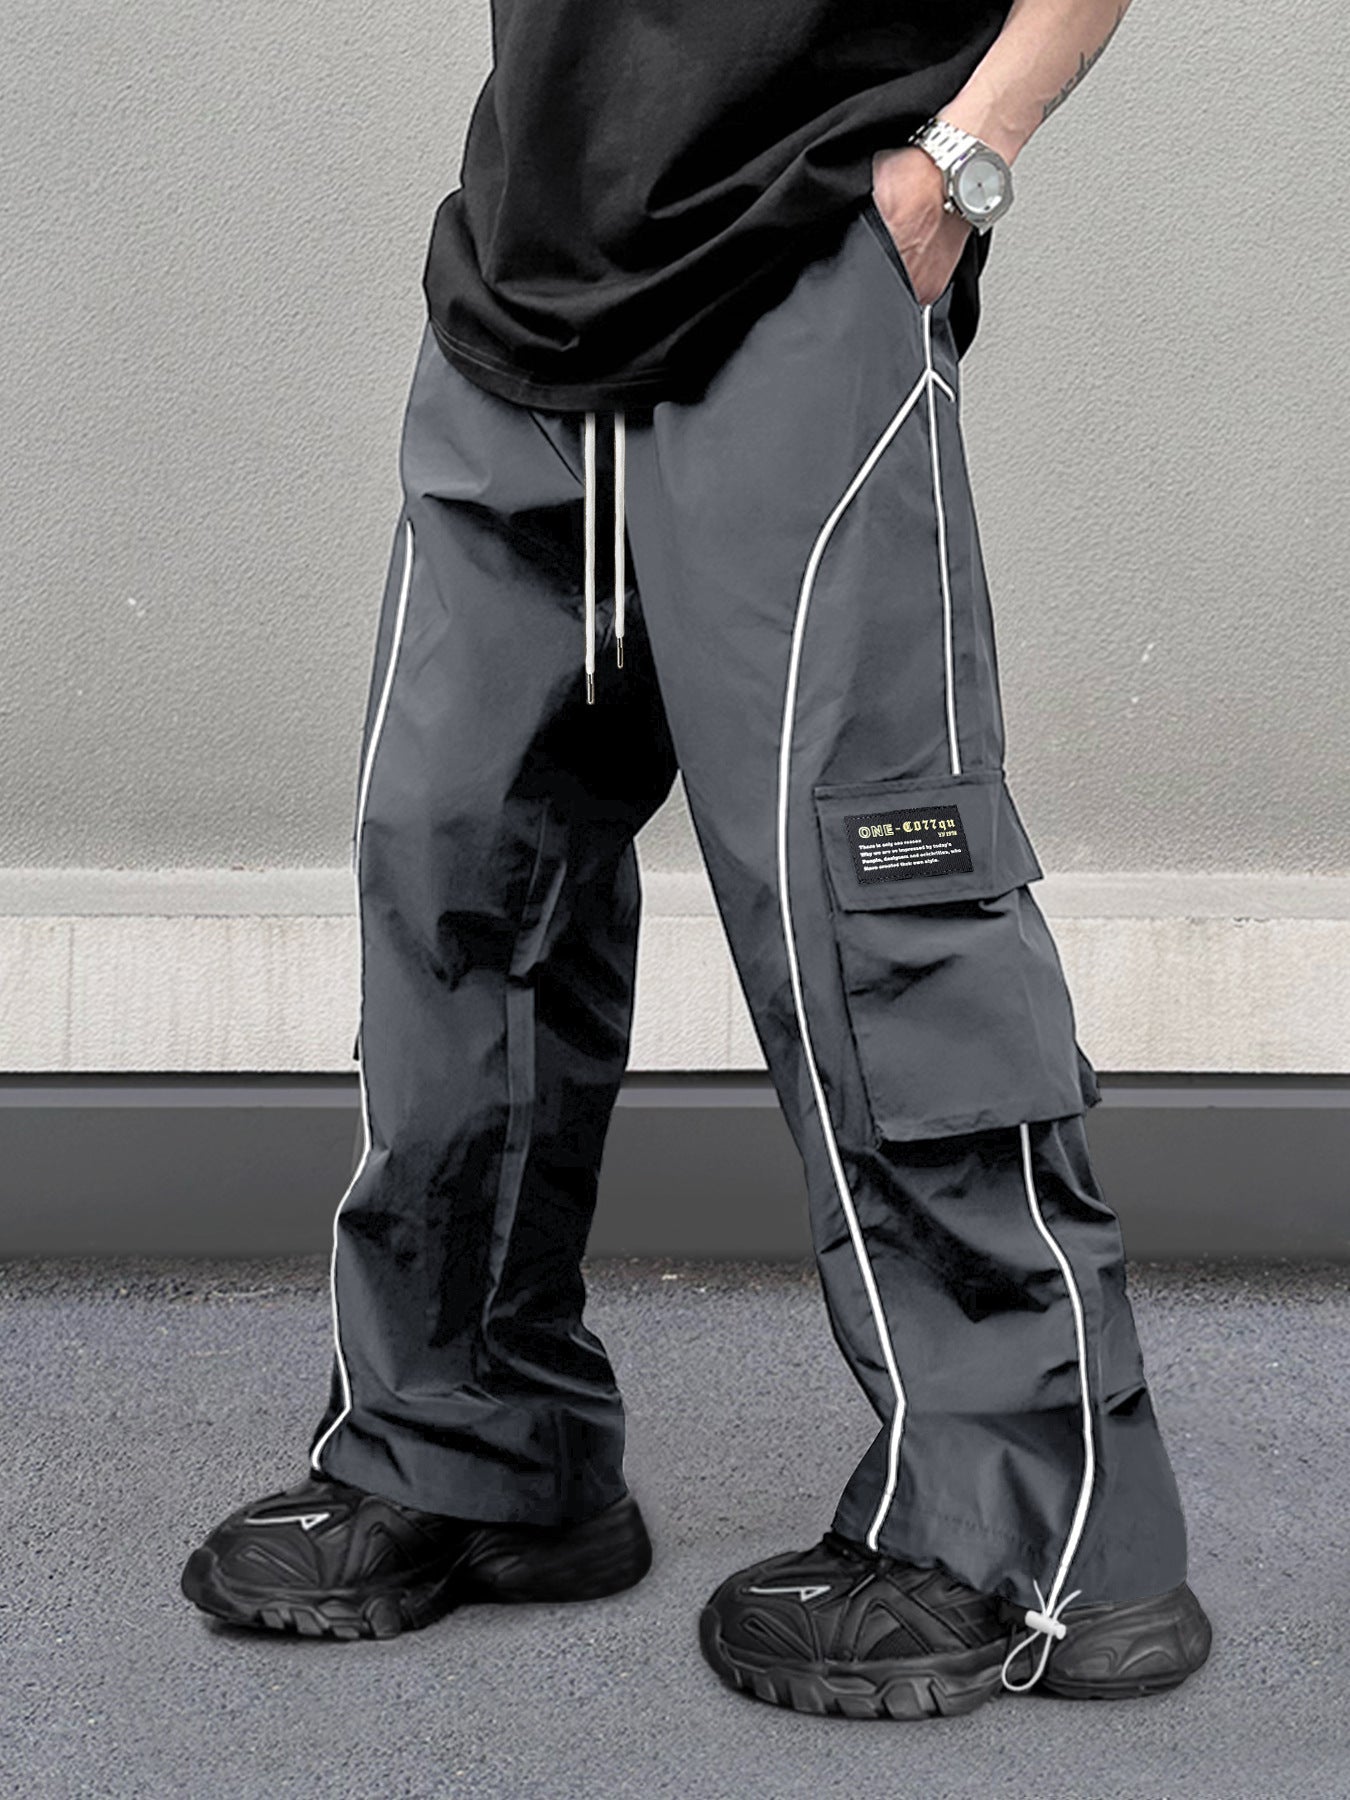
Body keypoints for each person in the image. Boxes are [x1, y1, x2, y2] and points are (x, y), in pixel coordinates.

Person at [181, 0, 1213, 1717]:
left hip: (803, 259)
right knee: (455, 876)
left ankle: (1037, 1530)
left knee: (870, 894)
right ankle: (472, 1445)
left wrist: (960, 164)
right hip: (520, 278)